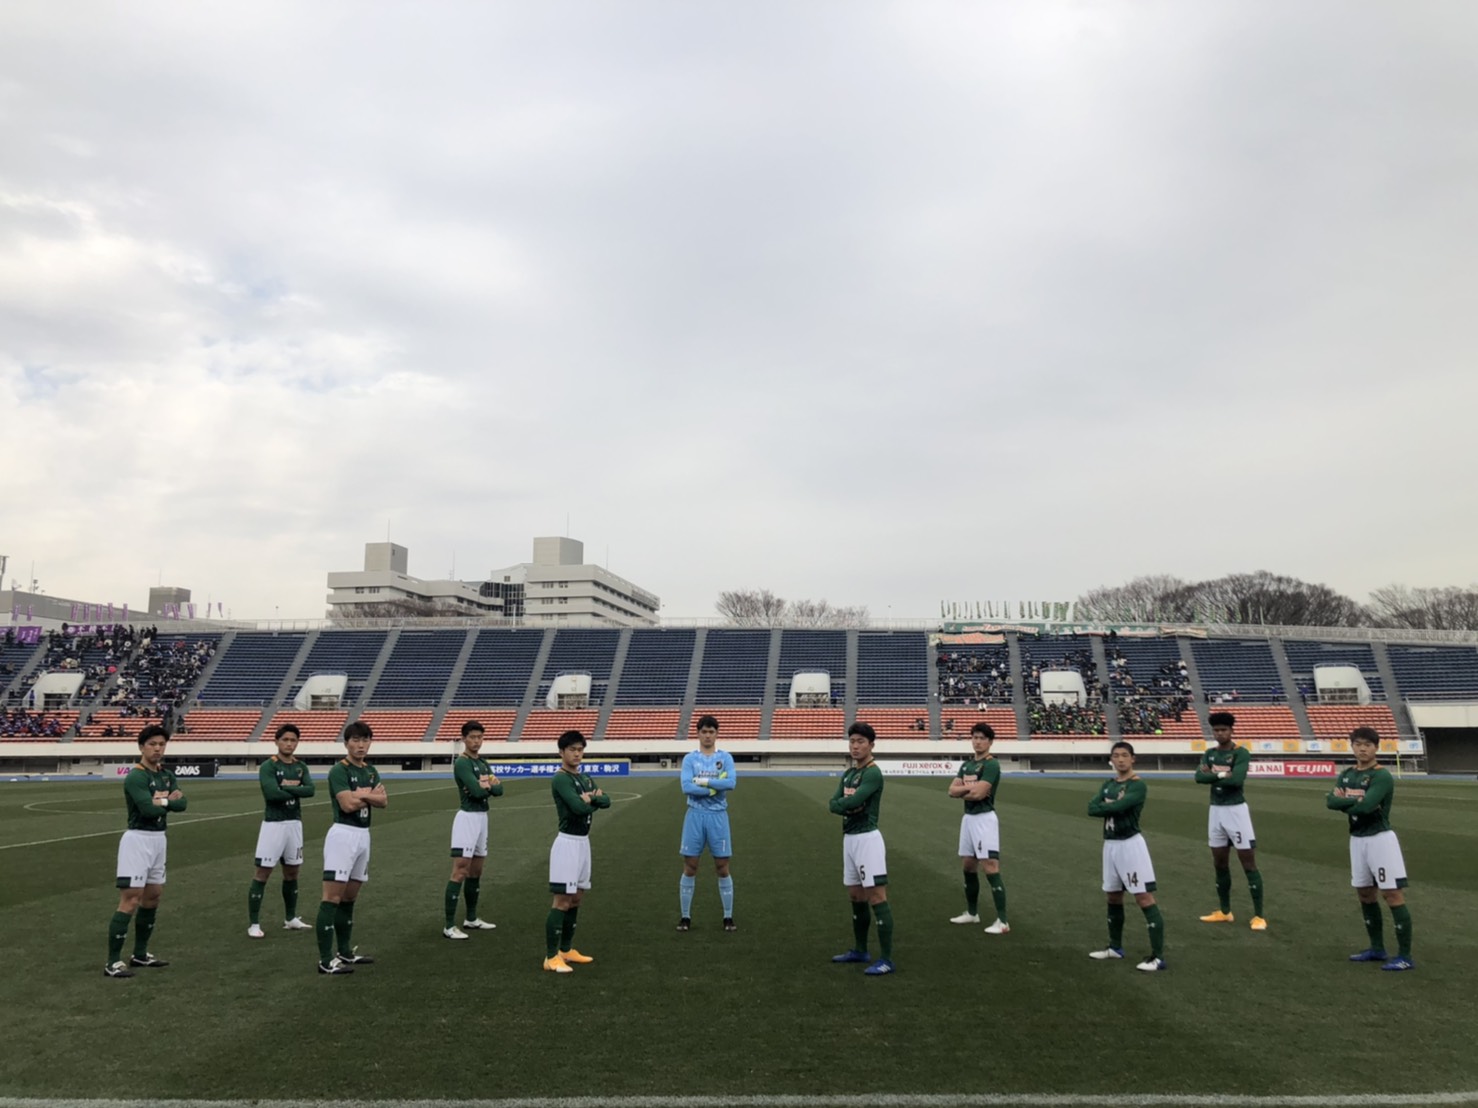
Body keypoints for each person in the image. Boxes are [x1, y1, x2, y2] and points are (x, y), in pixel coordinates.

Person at [1327, 726, 1414, 971]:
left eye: (1367, 745)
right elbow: (1330, 801)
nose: (1362, 749)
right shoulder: (1347, 774)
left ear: (1376, 747)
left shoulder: (1381, 776)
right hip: (1357, 839)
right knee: (1365, 893)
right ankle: (1377, 948)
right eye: (1358, 744)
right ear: (1352, 746)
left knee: (1392, 894)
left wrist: (1345, 802)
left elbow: (1366, 807)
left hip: (1380, 840)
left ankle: (1405, 956)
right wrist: (1355, 801)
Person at [104, 724, 186, 978]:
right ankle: (112, 962)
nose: (157, 749)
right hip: (137, 840)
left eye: (161, 744)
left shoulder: (166, 775)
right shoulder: (136, 777)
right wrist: (168, 801)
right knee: (131, 898)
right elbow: (147, 810)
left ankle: (139, 954)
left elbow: (183, 803)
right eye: (152, 744)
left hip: (159, 839)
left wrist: (161, 801)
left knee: (153, 897)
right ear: (142, 747)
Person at [1087, 741, 1167, 972]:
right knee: (1113, 896)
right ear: (1111, 759)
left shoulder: (1137, 785)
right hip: (1110, 845)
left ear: (1133, 759)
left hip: (1130, 845)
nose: (1120, 759)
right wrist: (1112, 806)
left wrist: (1107, 806)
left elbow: (1120, 807)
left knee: (1143, 897)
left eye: (1124, 755)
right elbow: (1091, 808)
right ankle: (1115, 947)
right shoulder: (1108, 784)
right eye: (1116, 755)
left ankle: (1158, 957)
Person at [315, 720, 387, 975]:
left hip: (363, 835)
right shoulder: (339, 771)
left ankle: (345, 951)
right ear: (346, 743)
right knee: (331, 898)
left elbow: (384, 801)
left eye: (365, 740)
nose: (361, 745)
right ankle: (325, 960)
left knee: (349, 897)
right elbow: (346, 805)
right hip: (343, 835)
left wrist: (361, 795)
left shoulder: (371, 771)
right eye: (355, 740)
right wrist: (370, 796)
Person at [829, 722, 895, 975]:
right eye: (852, 741)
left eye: (860, 742)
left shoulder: (872, 773)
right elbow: (834, 803)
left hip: (867, 839)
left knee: (876, 896)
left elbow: (854, 800)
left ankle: (886, 959)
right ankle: (860, 950)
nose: (855, 746)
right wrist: (846, 805)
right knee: (856, 896)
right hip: (849, 839)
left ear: (871, 745)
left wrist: (845, 804)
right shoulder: (849, 774)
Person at [544, 730, 610, 973]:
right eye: (572, 749)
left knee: (577, 898)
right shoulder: (560, 779)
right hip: (567, 844)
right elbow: (577, 808)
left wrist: (590, 799)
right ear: (561, 752)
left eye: (580, 749)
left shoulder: (585, 778)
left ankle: (566, 949)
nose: (577, 754)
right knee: (562, 900)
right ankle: (551, 956)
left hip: (583, 843)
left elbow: (607, 800)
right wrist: (592, 800)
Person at [1194, 711, 1267, 930]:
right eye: (1216, 730)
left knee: (1248, 863)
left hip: (1236, 812)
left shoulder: (1240, 753)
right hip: (1215, 811)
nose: (1220, 733)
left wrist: (1213, 776)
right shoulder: (1210, 753)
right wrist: (1221, 775)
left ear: (1231, 731)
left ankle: (1259, 916)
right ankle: (1225, 912)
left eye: (1223, 730)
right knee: (1219, 863)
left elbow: (1237, 780)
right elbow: (1198, 777)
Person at [248, 723, 315, 938]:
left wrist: (284, 787)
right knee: (263, 872)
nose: (289, 743)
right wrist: (296, 789)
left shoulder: (300, 767)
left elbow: (311, 790)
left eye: (293, 740)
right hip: (273, 825)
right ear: (276, 741)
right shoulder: (268, 766)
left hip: (294, 824)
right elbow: (271, 794)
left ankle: (290, 918)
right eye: (285, 739)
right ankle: (254, 923)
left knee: (292, 872)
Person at [677, 714, 737, 932]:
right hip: (695, 815)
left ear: (717, 734)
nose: (708, 736)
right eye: (704, 732)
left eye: (711, 732)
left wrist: (703, 782)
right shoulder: (690, 759)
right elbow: (686, 787)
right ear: (698, 734)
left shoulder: (725, 758)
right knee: (690, 866)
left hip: (718, 816)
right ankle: (685, 917)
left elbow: (731, 783)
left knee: (722, 866)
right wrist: (714, 787)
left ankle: (728, 917)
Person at [444, 720, 503, 939]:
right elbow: (478, 792)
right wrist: (487, 787)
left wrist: (486, 787)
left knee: (476, 871)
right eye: (472, 737)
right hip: (467, 818)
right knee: (460, 870)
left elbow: (500, 789)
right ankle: (449, 926)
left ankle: (471, 918)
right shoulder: (463, 763)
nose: (476, 741)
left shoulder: (483, 762)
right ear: (464, 739)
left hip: (482, 817)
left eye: (479, 737)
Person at [947, 722, 1009, 933]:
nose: (978, 741)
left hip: (984, 819)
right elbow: (951, 790)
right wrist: (970, 789)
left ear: (990, 742)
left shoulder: (991, 765)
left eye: (982, 738)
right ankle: (972, 913)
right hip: (968, 819)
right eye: (975, 737)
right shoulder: (966, 765)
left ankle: (1003, 921)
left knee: (990, 866)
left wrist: (964, 790)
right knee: (968, 866)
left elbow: (979, 794)